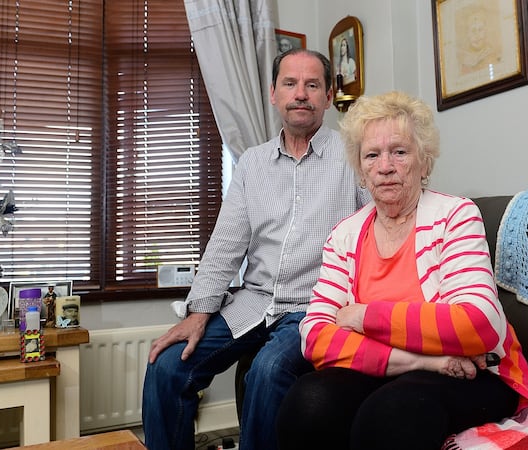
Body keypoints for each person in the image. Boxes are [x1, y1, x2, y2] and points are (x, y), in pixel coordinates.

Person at [276, 91, 528, 450]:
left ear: (424, 161)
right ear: (361, 169)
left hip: (480, 373)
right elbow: (316, 336)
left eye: (399, 151)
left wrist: (363, 316)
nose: (385, 166)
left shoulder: (455, 216)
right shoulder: (345, 235)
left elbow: (478, 325)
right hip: (421, 365)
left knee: (392, 413)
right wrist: (427, 359)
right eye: (372, 155)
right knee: (308, 400)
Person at [141, 48, 369, 450]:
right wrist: (199, 313)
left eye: (312, 85)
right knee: (166, 365)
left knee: (266, 370)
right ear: (273, 93)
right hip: (252, 302)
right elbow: (226, 243)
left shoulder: (355, 156)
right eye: (290, 84)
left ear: (328, 96)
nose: (301, 93)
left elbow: (376, 238)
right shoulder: (252, 164)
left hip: (315, 307)